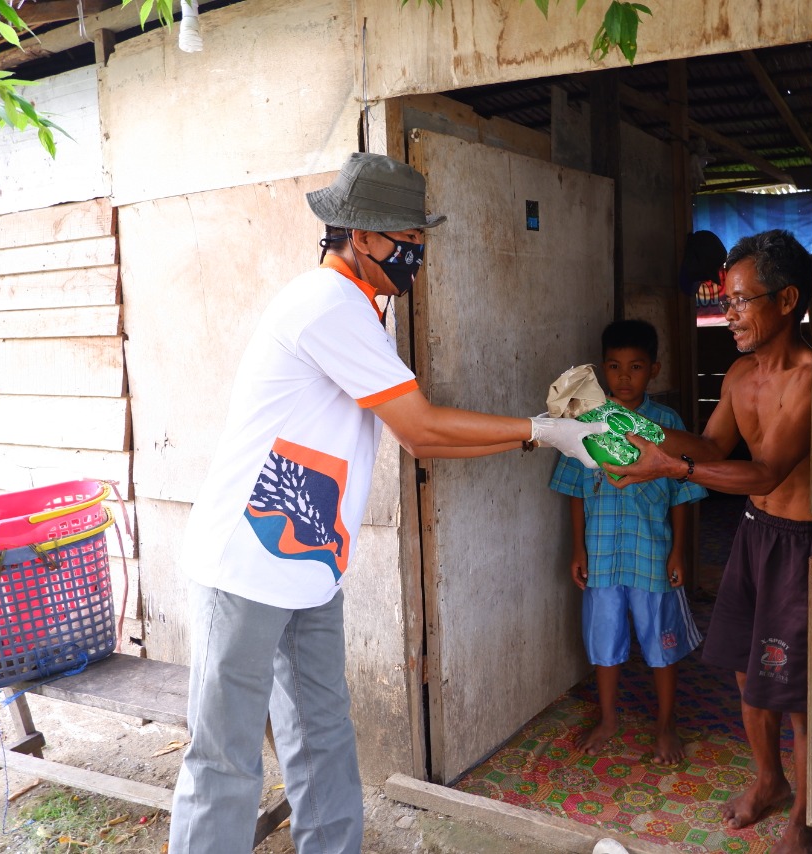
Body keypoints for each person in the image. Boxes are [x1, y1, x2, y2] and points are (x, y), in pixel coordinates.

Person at [166, 152, 606, 854]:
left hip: (308, 558)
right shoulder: (327, 305)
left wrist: (537, 440)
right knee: (224, 758)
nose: (418, 253)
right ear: (360, 236)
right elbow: (422, 426)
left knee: (323, 736)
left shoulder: (361, 311)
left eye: (421, 240)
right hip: (245, 561)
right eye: (410, 240)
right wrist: (541, 430)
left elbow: (420, 443)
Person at [604, 230, 812, 854]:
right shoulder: (741, 374)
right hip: (754, 536)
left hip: (800, 543)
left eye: (742, 300)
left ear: (786, 301)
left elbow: (766, 473)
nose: (728, 313)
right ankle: (769, 781)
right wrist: (636, 435)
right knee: (747, 675)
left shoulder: (809, 379)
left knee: (794, 689)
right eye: (724, 299)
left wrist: (672, 470)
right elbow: (715, 448)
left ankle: (805, 815)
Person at [548, 320, 708, 766]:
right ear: (603, 370)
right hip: (601, 553)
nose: (624, 376)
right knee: (604, 639)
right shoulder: (589, 425)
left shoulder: (666, 424)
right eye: (615, 367)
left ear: (653, 369)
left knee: (662, 640)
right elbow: (576, 489)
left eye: (635, 367)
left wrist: (678, 551)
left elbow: (681, 493)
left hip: (651, 551)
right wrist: (578, 549)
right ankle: (608, 718)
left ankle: (665, 724)